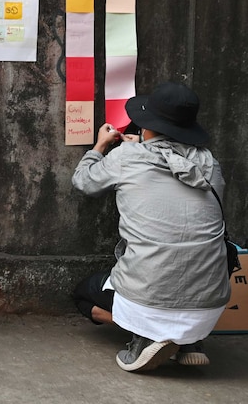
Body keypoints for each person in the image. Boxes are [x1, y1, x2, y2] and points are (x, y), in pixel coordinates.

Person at [71, 81, 230, 372]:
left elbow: (84, 181)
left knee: (83, 294)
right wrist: (144, 147)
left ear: (147, 126)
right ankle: (189, 340)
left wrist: (100, 147)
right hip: (209, 304)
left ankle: (146, 337)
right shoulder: (210, 163)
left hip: (149, 297)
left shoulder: (125, 157)